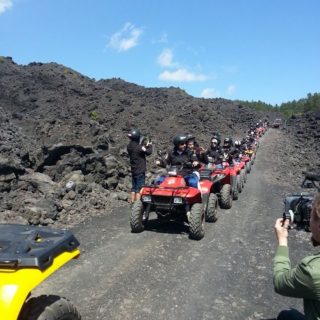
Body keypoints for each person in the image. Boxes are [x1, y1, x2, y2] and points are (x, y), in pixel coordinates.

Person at [273, 193, 320, 320]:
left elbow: (279, 282)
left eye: (311, 216)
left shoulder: (313, 271)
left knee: (286, 315)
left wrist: (282, 241)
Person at [127, 128, 152, 203]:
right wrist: (150, 145)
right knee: (140, 188)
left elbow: (140, 149)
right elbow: (148, 152)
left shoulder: (129, 146)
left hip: (133, 170)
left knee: (134, 187)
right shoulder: (139, 147)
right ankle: (138, 204)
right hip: (140, 170)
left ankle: (132, 202)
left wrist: (143, 146)